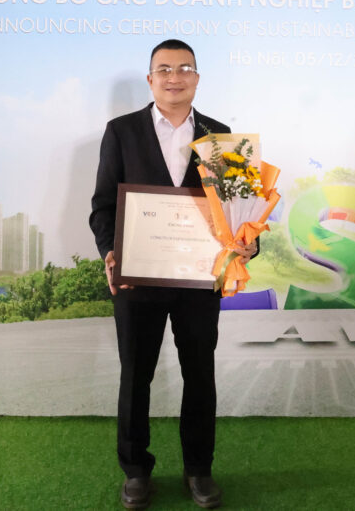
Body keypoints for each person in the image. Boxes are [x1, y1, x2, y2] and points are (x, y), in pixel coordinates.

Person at [90, 39, 256, 509]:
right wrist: (110, 252)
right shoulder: (121, 132)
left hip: (199, 281)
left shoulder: (222, 137)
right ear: (151, 79)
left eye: (184, 68)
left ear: (197, 78)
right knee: (135, 376)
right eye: (164, 69)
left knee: (199, 375)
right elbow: (102, 207)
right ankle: (135, 471)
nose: (174, 77)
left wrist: (249, 243)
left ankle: (199, 469)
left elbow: (242, 211)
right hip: (138, 279)